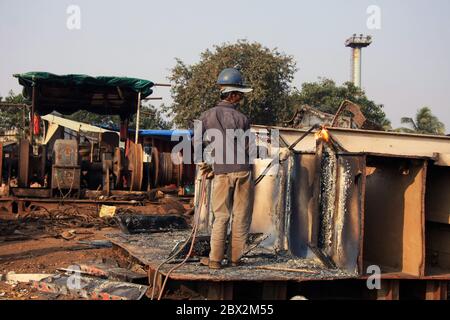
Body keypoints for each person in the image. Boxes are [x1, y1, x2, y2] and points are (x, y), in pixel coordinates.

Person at [198, 68, 254, 269]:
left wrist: (205, 163)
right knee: (241, 216)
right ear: (231, 95)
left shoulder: (206, 116)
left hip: (221, 172)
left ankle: (215, 261)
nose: (241, 98)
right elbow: (249, 148)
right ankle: (235, 259)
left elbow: (197, 142)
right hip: (243, 171)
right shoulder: (243, 119)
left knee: (221, 216)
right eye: (239, 94)